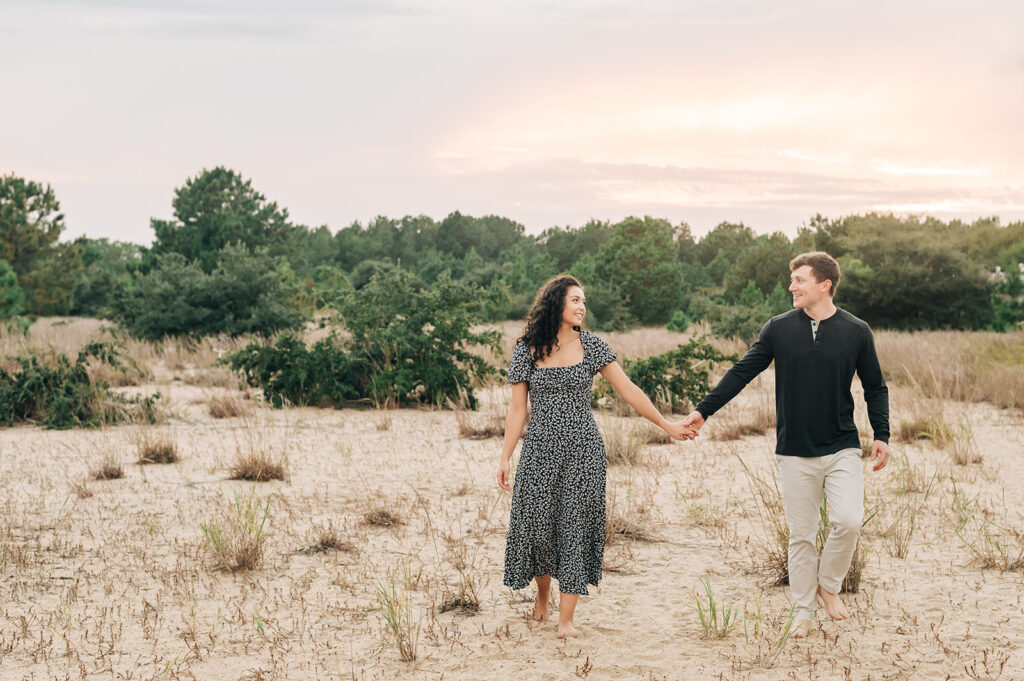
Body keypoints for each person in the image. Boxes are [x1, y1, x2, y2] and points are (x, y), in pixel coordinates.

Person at [682, 251, 890, 639]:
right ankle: (802, 610)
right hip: (794, 449)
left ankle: (828, 585)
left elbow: (875, 387)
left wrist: (882, 434)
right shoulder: (778, 329)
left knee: (848, 520)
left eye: (799, 280)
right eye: (791, 279)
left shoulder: (856, 330)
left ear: (825, 285)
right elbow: (743, 371)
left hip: (842, 446)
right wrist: (703, 411)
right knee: (802, 535)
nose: (791, 287)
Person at [497, 275, 695, 638]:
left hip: (583, 451)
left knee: (574, 527)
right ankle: (542, 595)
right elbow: (517, 411)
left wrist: (667, 425)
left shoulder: (592, 345)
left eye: (584, 301)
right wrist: (505, 456)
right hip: (539, 449)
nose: (582, 307)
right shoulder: (526, 348)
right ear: (557, 303)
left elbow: (629, 391)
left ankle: (566, 620)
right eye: (575, 300)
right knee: (537, 526)